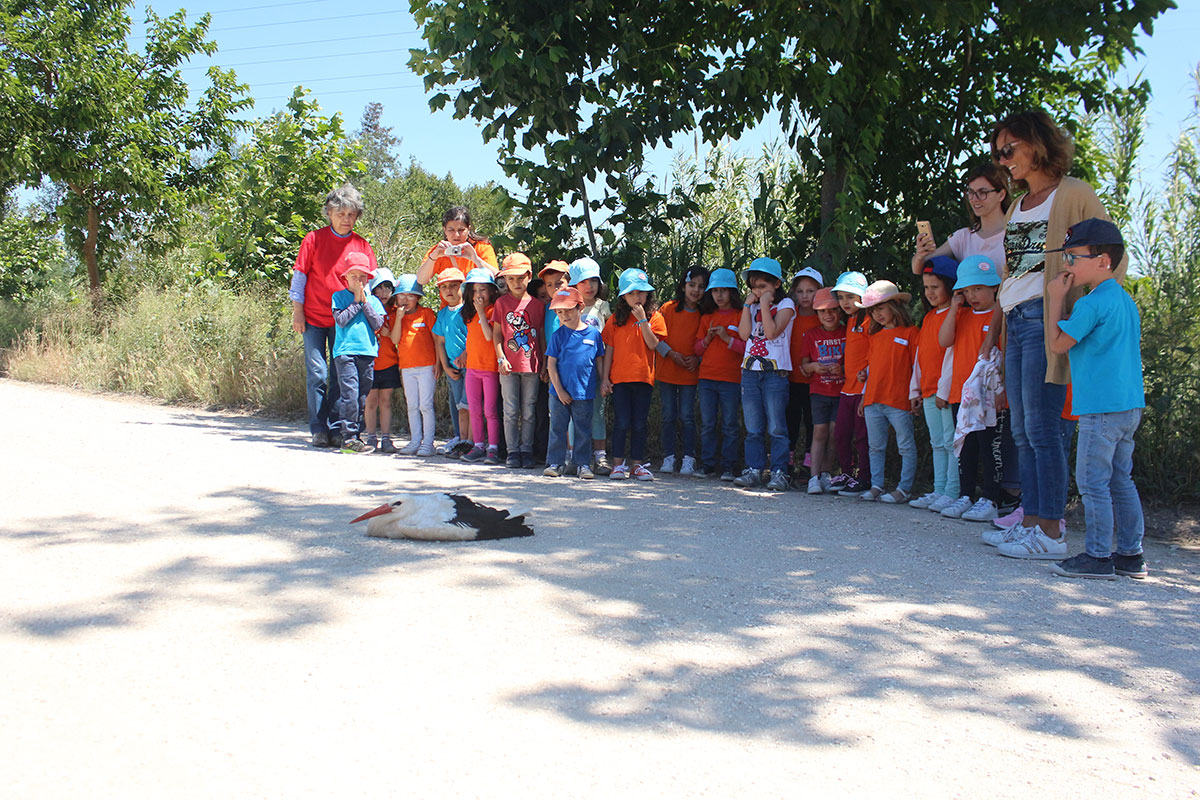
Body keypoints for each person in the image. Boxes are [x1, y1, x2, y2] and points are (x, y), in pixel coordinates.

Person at [989, 109, 1128, 556]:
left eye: (1008, 149)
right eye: (998, 153)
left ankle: (1050, 531)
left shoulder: (1074, 193)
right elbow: (1013, 273)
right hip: (1016, 319)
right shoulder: (1016, 205)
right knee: (1022, 431)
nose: (1003, 160)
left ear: (1037, 143)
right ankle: (1031, 521)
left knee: (1043, 428)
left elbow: (1114, 256)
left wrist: (1087, 311)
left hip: (1044, 318)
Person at [1034, 219, 1145, 576]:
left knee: (1092, 482)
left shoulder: (1090, 304)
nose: (1067, 265)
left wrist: (1055, 299)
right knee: (1120, 479)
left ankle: (1097, 557)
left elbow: (1057, 344)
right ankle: (1130, 555)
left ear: (1103, 261)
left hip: (1100, 407)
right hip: (1128, 405)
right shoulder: (1123, 300)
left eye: (1073, 257)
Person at [290, 183, 378, 447]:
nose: (346, 219)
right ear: (329, 213)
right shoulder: (313, 239)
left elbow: (369, 286)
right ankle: (319, 429)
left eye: (351, 214)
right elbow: (300, 277)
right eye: (341, 213)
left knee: (341, 377)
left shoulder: (362, 245)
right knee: (317, 373)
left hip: (347, 322)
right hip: (313, 317)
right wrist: (297, 311)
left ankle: (338, 427)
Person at [937, 256, 1016, 521]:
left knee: (991, 448)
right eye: (967, 290)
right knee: (965, 448)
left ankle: (991, 499)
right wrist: (953, 308)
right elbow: (944, 340)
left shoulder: (1002, 316)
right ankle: (965, 495)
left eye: (978, 288)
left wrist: (1004, 391)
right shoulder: (961, 315)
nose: (972, 296)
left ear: (994, 288)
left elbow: (1006, 355)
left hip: (990, 397)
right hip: (962, 395)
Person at [734, 257, 796, 492]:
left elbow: (771, 332)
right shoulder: (752, 306)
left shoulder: (786, 304)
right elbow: (744, 335)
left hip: (775, 373)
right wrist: (747, 306)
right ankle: (754, 469)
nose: (758, 292)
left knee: (777, 427)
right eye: (754, 287)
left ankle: (780, 472)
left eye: (763, 286)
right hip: (750, 372)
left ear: (777, 284)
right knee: (753, 427)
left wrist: (766, 305)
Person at [855, 281, 919, 503]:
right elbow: (871, 368)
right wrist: (864, 394)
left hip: (899, 400)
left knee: (906, 446)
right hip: (873, 400)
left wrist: (916, 394)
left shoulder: (911, 333)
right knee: (875, 447)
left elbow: (917, 367)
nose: (877, 314)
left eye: (881, 308)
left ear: (896, 306)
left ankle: (904, 489)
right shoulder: (875, 336)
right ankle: (876, 486)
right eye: (873, 311)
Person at [600, 268, 668, 481]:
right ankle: (618, 465)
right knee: (621, 422)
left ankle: (637, 465)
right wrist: (605, 379)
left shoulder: (655, 317)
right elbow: (609, 350)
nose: (637, 297)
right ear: (623, 296)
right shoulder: (614, 320)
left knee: (639, 423)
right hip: (620, 379)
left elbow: (653, 344)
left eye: (641, 292)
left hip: (643, 379)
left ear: (648, 294)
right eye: (631, 293)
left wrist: (642, 320)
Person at [908, 256, 961, 512]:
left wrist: (944, 389)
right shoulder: (928, 317)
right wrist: (915, 390)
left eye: (935, 287)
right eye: (926, 287)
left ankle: (952, 492)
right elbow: (920, 356)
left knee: (951, 443)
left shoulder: (958, 315)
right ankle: (939, 490)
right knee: (937, 442)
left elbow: (953, 356)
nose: (930, 293)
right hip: (928, 390)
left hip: (946, 392)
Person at [544, 286, 607, 480]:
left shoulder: (594, 335)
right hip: (559, 394)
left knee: (583, 429)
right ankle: (555, 463)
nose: (564, 315)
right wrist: (559, 390)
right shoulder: (558, 335)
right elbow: (551, 365)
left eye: (568, 310)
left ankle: (582, 465)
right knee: (557, 428)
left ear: (580, 308)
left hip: (584, 392)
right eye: (559, 312)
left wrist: (604, 381)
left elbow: (599, 360)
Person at [493, 253, 546, 469]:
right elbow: (497, 335)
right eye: (511, 278)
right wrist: (501, 358)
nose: (515, 283)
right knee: (510, 410)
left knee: (529, 410)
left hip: (531, 365)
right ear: (505, 280)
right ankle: (512, 451)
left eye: (520, 278)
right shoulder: (501, 303)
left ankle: (527, 450)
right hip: (508, 366)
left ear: (529, 277)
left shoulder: (537, 305)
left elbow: (541, 336)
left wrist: (544, 363)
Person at [911, 161, 1011, 277]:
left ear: (1001, 195)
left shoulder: (1016, 234)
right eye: (971, 192)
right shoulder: (963, 237)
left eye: (982, 192)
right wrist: (920, 254)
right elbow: (920, 267)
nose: (974, 199)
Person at [330, 252, 386, 453]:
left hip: (367, 352)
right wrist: (356, 302)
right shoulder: (338, 297)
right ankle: (348, 437)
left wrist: (365, 303)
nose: (359, 281)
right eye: (354, 276)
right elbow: (341, 320)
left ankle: (356, 436)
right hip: (345, 353)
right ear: (346, 278)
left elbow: (377, 324)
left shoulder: (374, 301)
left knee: (362, 396)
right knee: (350, 395)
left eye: (363, 276)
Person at [694, 268, 745, 481]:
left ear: (732, 292)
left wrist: (726, 338)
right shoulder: (707, 317)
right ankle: (708, 465)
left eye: (724, 290)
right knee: (708, 424)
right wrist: (707, 339)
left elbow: (747, 348)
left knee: (730, 425)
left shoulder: (741, 315)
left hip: (732, 379)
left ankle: (729, 466)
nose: (719, 295)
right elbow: (697, 350)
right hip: (707, 379)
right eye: (715, 291)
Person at [656, 267, 708, 476]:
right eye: (691, 285)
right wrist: (670, 354)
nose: (696, 290)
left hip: (690, 373)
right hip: (667, 371)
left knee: (687, 416)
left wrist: (697, 359)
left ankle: (689, 457)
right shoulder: (668, 308)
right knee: (668, 415)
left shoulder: (705, 315)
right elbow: (655, 337)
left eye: (701, 286)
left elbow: (708, 343)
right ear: (683, 286)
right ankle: (669, 456)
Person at [568, 257, 613, 475]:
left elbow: (610, 339)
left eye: (593, 281)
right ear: (574, 284)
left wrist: (606, 375)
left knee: (597, 413)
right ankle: (572, 456)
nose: (589, 286)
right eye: (583, 282)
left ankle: (600, 457)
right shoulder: (568, 307)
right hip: (573, 369)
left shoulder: (603, 306)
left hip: (597, 367)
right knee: (573, 414)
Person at [799, 287, 846, 494]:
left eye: (833, 309)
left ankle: (827, 474)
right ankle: (814, 477)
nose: (828, 315)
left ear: (840, 311)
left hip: (841, 392)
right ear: (817, 313)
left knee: (835, 434)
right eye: (822, 311)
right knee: (819, 432)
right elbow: (804, 365)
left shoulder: (847, 333)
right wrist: (814, 367)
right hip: (819, 392)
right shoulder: (811, 335)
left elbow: (855, 363)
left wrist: (842, 369)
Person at [830, 271, 872, 496]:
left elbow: (875, 350)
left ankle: (865, 478)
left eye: (851, 297)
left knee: (862, 437)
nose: (845, 302)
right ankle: (847, 473)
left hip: (864, 389)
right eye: (841, 297)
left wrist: (867, 372)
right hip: (847, 388)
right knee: (841, 434)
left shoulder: (870, 319)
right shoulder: (851, 319)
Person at [390, 275, 438, 456]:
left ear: (417, 297)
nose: (405, 299)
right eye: (401, 295)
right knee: (412, 405)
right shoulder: (396, 316)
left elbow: (436, 340)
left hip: (427, 366)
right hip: (407, 367)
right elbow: (395, 339)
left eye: (410, 295)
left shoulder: (426, 313)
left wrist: (439, 363)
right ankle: (415, 440)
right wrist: (399, 318)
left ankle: (428, 442)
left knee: (426, 405)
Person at [458, 269, 502, 465]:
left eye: (483, 289)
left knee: (490, 410)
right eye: (475, 290)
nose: (479, 294)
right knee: (474, 410)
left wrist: (482, 312)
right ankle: (478, 446)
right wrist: (464, 354)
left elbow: (488, 336)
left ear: (491, 291)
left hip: (490, 368)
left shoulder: (493, 310)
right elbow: (473, 338)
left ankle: (493, 448)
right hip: (472, 368)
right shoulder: (469, 313)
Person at [786, 266, 824, 478]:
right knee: (790, 421)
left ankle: (809, 464)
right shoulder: (790, 314)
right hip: (790, 378)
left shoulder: (823, 317)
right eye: (800, 291)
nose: (805, 296)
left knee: (812, 423)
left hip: (815, 381)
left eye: (810, 291)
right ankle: (788, 462)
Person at [432, 268, 472, 458]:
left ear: (462, 287)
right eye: (444, 287)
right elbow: (439, 342)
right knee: (457, 404)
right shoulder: (442, 314)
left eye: (453, 285)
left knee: (468, 405)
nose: (449, 290)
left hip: (471, 366)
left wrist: (466, 353)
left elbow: (475, 336)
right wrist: (445, 366)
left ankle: (470, 441)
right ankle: (459, 437)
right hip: (453, 368)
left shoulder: (468, 311)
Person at [415, 206, 499, 288]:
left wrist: (475, 259)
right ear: (444, 230)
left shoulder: (482, 247)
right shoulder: (438, 250)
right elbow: (421, 280)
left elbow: (497, 278)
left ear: (468, 229)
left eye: (461, 230)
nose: (456, 235)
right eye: (451, 230)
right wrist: (433, 257)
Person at [364, 268, 400, 453]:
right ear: (372, 290)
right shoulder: (367, 308)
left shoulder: (396, 312)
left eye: (388, 288)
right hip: (370, 363)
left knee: (386, 401)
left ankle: (386, 438)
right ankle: (371, 437)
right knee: (370, 401)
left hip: (389, 363)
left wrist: (389, 332)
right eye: (379, 288)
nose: (384, 292)